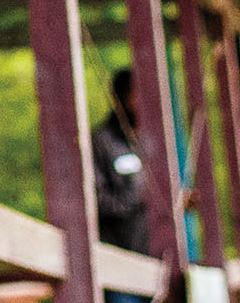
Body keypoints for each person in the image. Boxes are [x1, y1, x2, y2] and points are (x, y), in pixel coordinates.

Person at [91, 66, 153, 303]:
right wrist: (139, 198)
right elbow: (96, 201)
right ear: (121, 98)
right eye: (135, 95)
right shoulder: (102, 142)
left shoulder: (150, 140)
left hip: (156, 259)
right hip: (119, 262)